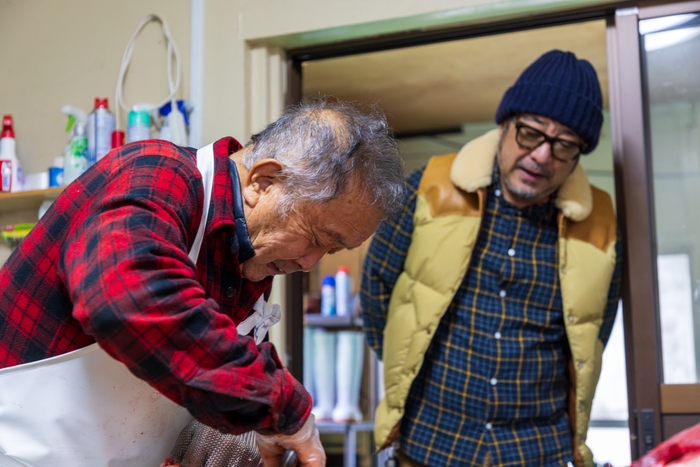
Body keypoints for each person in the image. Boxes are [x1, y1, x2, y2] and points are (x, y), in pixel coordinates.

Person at [0, 99, 405, 467]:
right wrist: (279, 405)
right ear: (262, 182)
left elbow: (196, 364)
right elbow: (129, 299)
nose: (308, 262)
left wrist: (232, 431)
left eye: (330, 252)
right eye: (316, 238)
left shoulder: (250, 261)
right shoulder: (157, 172)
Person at [361, 50, 623, 467]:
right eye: (531, 133)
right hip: (429, 441)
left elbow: (593, 334)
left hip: (538, 450)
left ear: (577, 156)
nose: (542, 156)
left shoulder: (602, 222)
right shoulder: (429, 186)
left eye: (565, 146)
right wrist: (404, 365)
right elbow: (377, 292)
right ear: (504, 125)